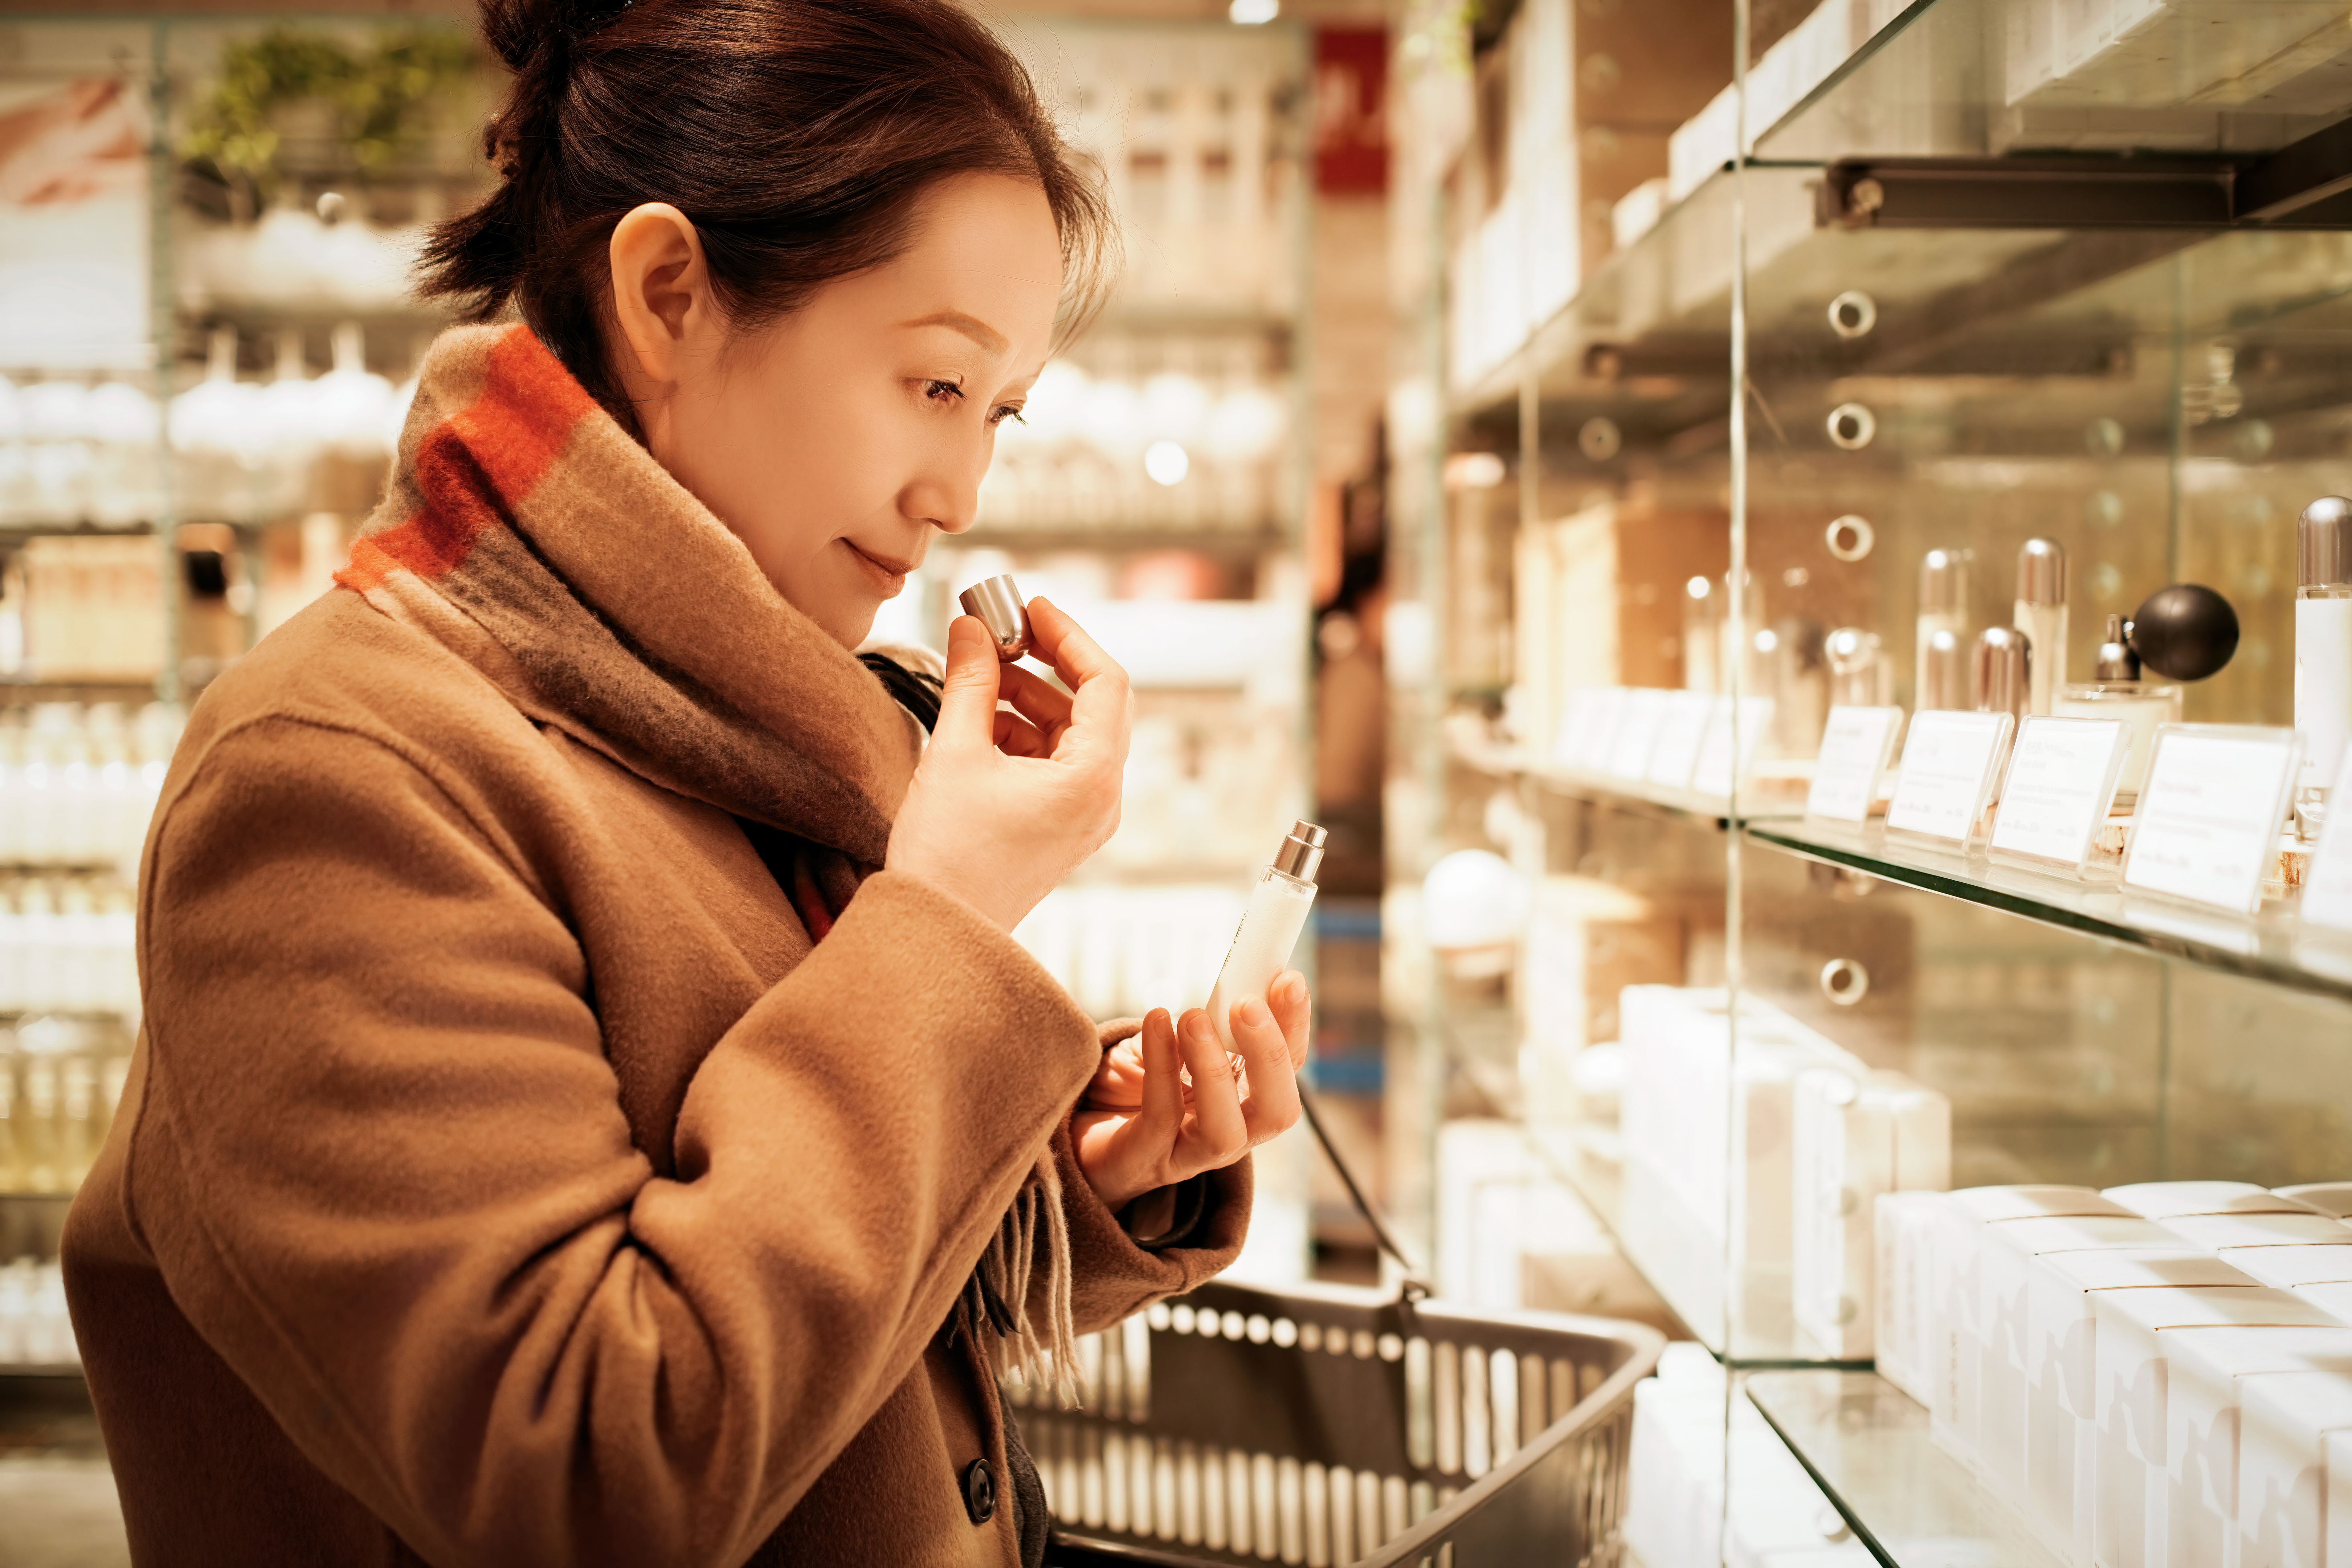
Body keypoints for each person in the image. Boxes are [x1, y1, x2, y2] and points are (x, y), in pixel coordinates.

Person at [60, 1, 1311, 1563]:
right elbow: (586, 1473)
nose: (963, 491)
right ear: (668, 294)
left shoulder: (752, 727)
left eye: (999, 414)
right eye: (933, 386)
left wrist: (1075, 1175)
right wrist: (948, 916)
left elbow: (792, 1295)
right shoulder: (340, 774)